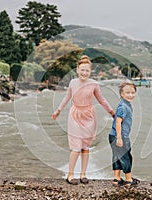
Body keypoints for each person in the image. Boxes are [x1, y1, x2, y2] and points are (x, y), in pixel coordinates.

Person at [52, 55, 114, 185]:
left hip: (89, 116)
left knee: (86, 147)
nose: (84, 73)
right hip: (75, 115)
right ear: (77, 69)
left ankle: (83, 174)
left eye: (87, 70)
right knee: (75, 147)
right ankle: (70, 175)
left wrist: (111, 112)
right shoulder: (73, 83)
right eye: (82, 70)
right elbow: (67, 98)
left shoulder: (94, 84)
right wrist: (58, 110)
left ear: (90, 71)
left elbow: (101, 100)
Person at [109, 81, 140, 187]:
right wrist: (119, 138)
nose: (130, 95)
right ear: (121, 94)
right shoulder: (123, 106)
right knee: (126, 157)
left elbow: (117, 118)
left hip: (114, 135)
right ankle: (128, 180)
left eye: (132, 92)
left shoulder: (124, 104)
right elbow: (118, 122)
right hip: (120, 136)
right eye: (127, 93)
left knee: (117, 157)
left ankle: (117, 179)